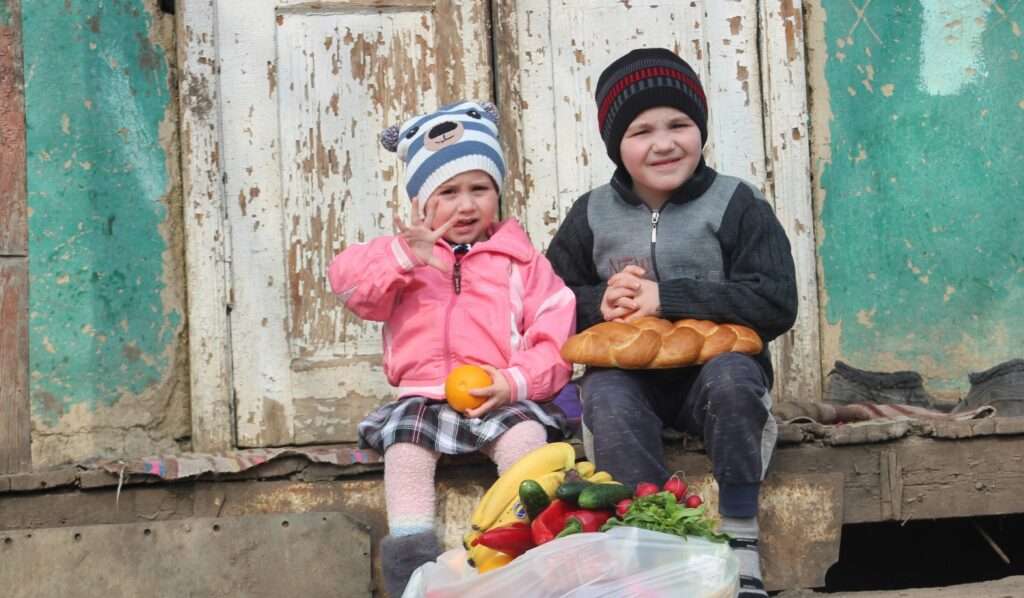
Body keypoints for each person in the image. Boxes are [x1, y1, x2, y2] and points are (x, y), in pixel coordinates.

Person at [546, 48, 798, 598]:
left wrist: (668, 298)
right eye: (641, 130)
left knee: (733, 376)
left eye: (679, 124)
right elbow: (545, 299)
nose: (663, 143)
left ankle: (739, 536)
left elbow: (776, 301)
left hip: (716, 382)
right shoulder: (590, 213)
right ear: (616, 144)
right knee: (605, 392)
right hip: (635, 387)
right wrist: (596, 305)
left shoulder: (737, 203)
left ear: (700, 129)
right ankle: (656, 535)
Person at [328, 100, 576, 597]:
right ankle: (411, 566)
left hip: (498, 391)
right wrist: (403, 256)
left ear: (498, 193)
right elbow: (350, 288)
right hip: (422, 394)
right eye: (448, 192)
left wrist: (513, 382)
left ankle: (531, 551)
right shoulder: (402, 257)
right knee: (405, 452)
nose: (466, 205)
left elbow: (556, 337)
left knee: (527, 443)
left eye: (479, 189)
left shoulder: (520, 261)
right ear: (422, 202)